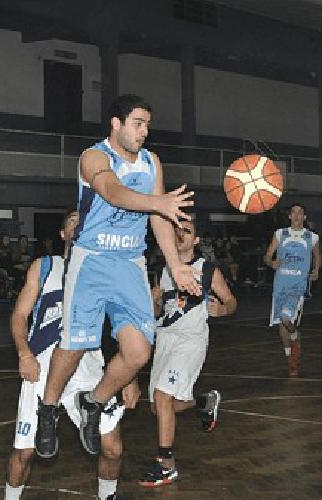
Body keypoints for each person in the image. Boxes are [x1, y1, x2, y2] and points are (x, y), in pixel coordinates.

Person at [35, 94, 201, 459]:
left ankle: (93, 403)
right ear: (116, 123)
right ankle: (47, 409)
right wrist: (158, 202)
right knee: (75, 344)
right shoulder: (93, 157)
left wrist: (175, 265)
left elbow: (158, 218)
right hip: (92, 260)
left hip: (130, 263)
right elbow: (112, 192)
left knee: (139, 352)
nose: (144, 131)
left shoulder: (150, 162)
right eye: (138, 123)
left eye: (147, 125)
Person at [4, 209, 140, 500]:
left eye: (85, 222)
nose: (79, 225)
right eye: (72, 222)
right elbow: (19, 315)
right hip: (43, 362)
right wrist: (24, 354)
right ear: (63, 234)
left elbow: (122, 327)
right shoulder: (45, 267)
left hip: (87, 365)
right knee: (25, 452)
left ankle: (107, 496)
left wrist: (128, 377)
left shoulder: (104, 272)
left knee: (112, 447)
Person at [138, 218, 237, 488]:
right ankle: (202, 401)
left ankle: (166, 464)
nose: (180, 234)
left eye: (187, 231)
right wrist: (155, 302)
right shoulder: (164, 271)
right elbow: (160, 312)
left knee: (162, 397)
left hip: (191, 340)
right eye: (176, 230)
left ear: (195, 241)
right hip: (165, 338)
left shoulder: (206, 270)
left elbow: (231, 301)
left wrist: (223, 310)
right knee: (158, 408)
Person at [263, 202, 320, 376]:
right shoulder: (280, 234)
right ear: (289, 216)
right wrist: (271, 262)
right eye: (293, 212)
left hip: (298, 285)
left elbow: (318, 256)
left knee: (287, 319)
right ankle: (291, 359)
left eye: (300, 213)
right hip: (280, 285)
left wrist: (316, 270)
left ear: (304, 217)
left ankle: (295, 338)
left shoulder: (312, 237)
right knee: (281, 326)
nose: (296, 216)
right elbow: (267, 256)